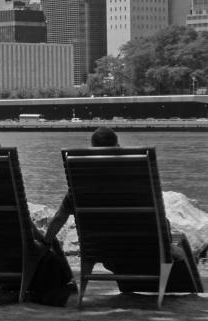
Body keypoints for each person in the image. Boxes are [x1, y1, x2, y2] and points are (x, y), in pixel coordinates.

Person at [44, 126, 194, 293]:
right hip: (145, 248)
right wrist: (167, 243)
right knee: (177, 243)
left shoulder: (80, 185)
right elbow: (157, 219)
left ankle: (100, 289)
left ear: (93, 150)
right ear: (117, 147)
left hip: (103, 250)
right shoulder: (137, 179)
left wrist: (45, 243)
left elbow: (59, 218)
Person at [0, 130, 74, 305]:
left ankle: (8, 284)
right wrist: (42, 238)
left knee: (41, 244)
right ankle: (65, 286)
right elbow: (21, 218)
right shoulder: (2, 178)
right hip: (9, 242)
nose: (2, 151)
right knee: (49, 243)